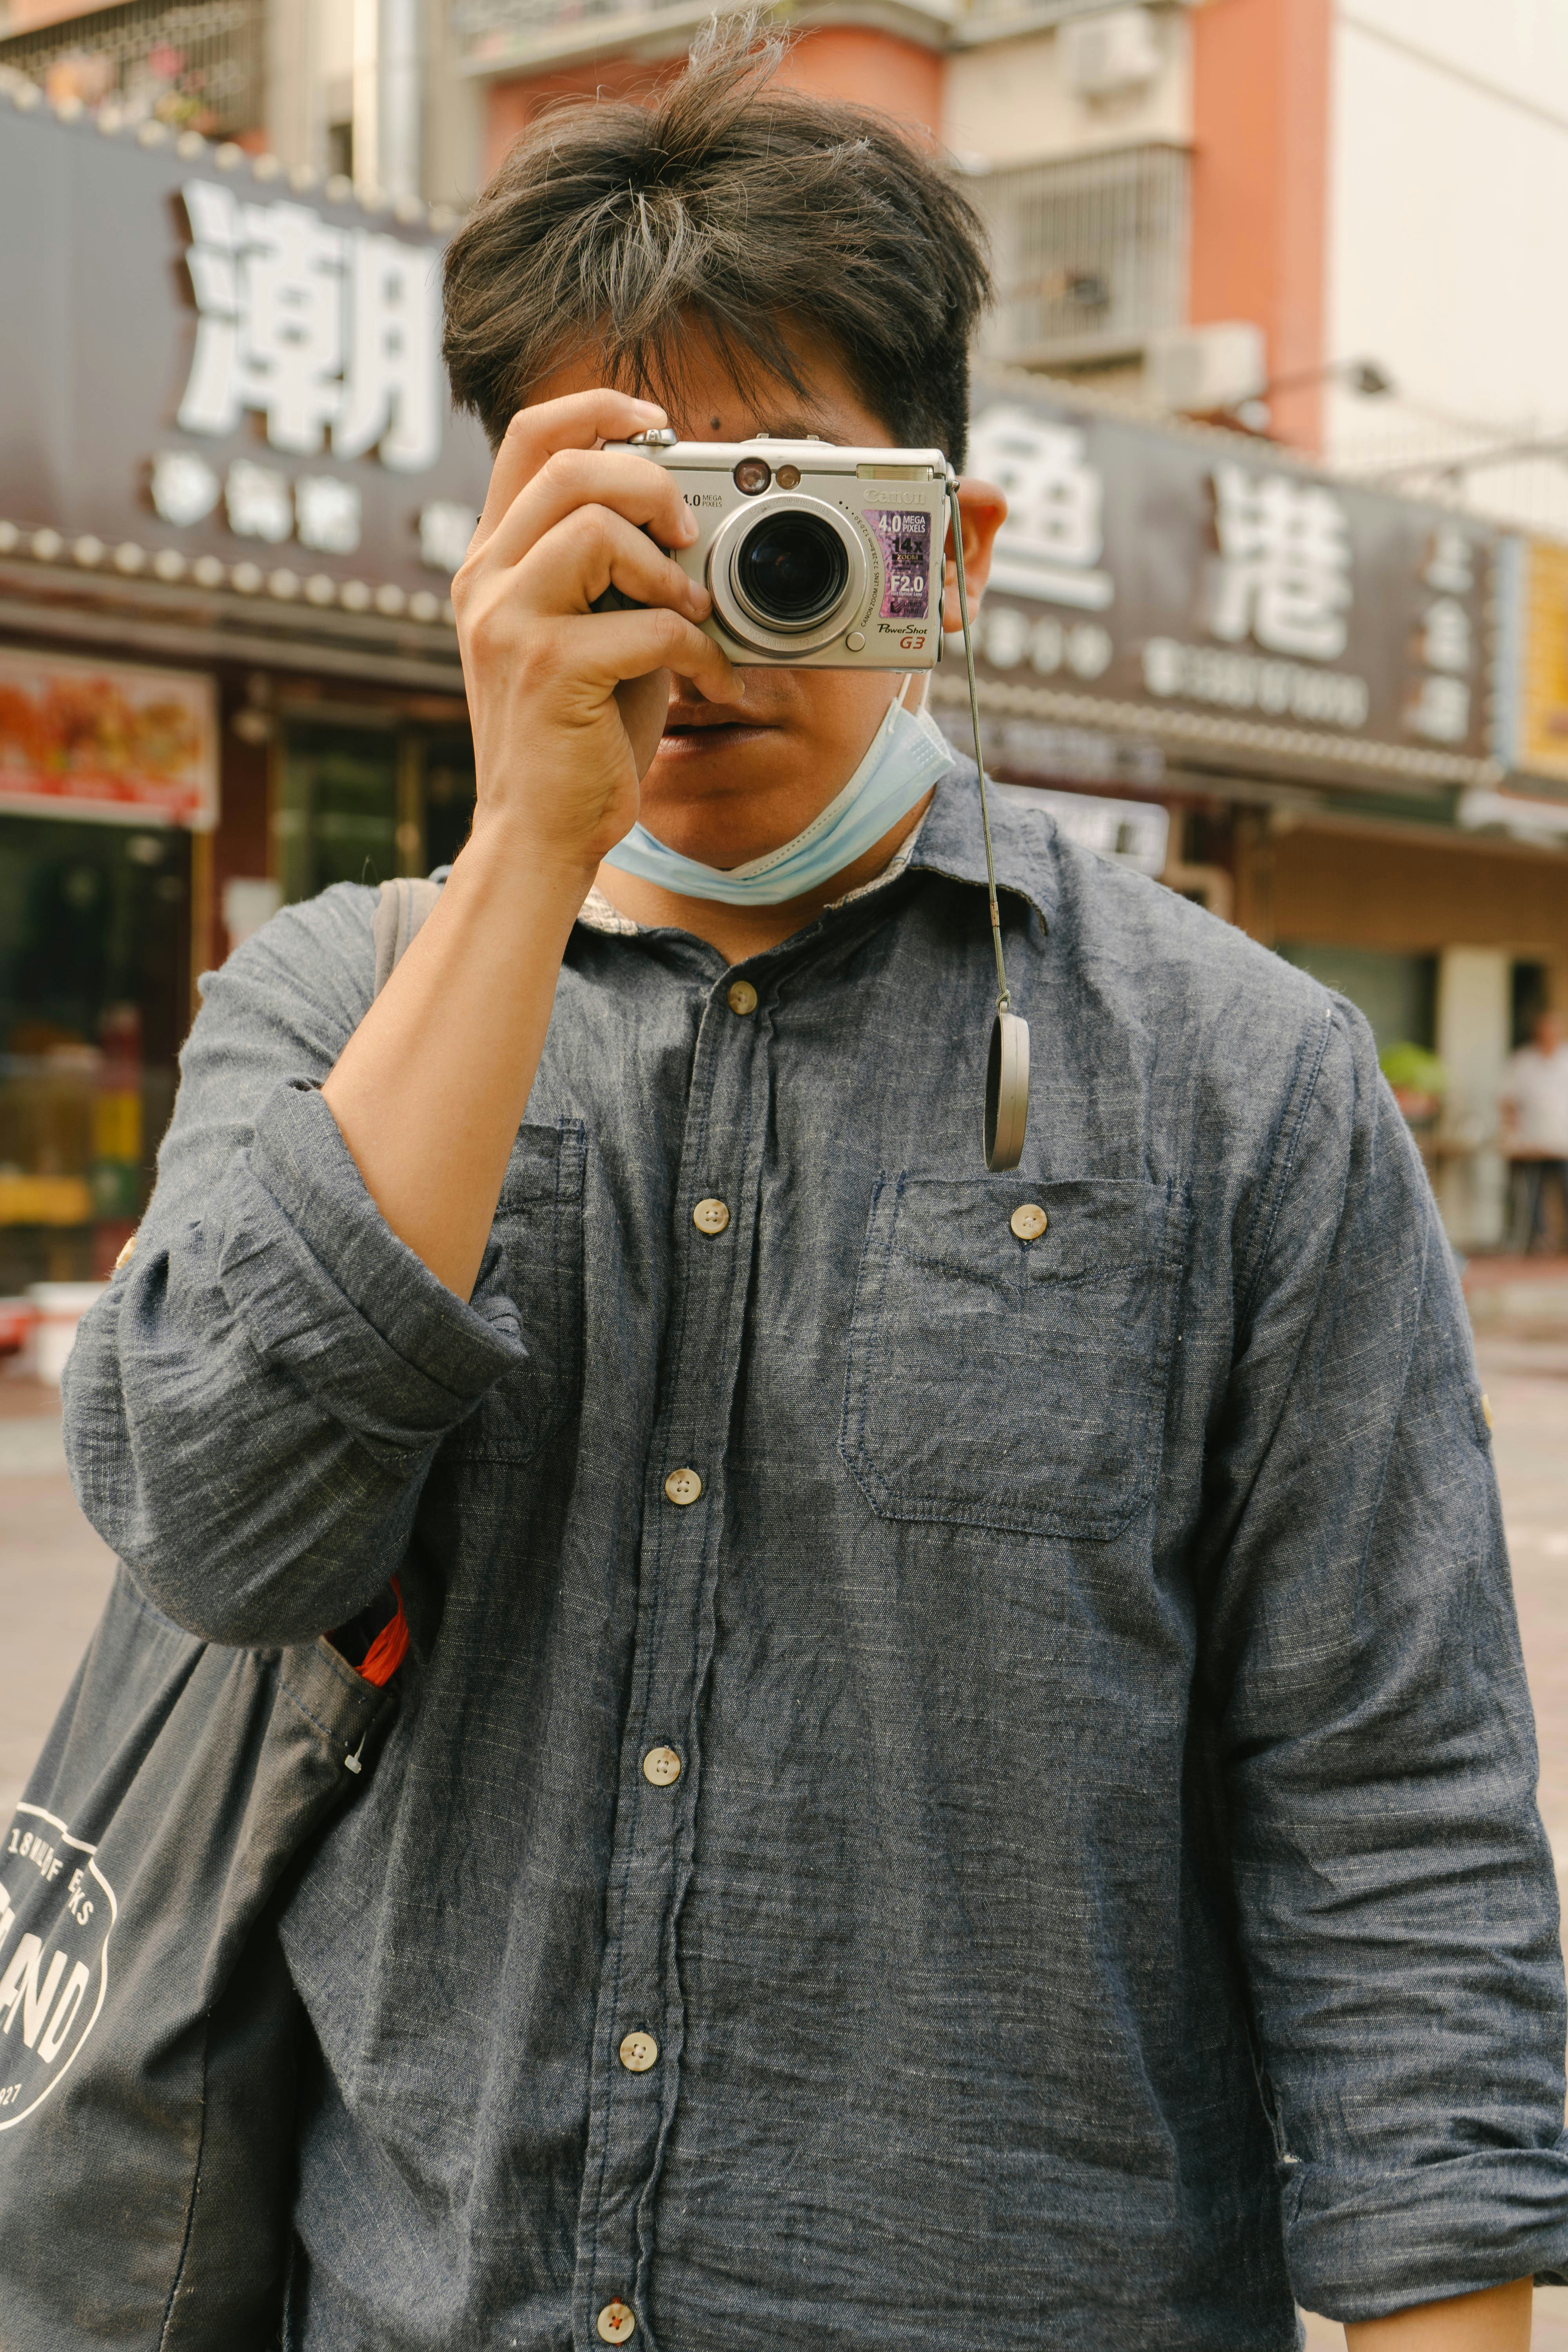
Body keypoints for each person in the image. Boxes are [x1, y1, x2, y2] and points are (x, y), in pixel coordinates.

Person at [64, 27, 1568, 2351]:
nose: (710, 595)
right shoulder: (327, 1011)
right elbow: (215, 1522)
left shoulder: (1247, 1081)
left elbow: (1391, 1822)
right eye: (630, 508)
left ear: (947, 550)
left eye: (781, 512)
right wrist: (528, 851)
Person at [1500, 1006, 1568, 1253]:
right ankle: (1539, 1239)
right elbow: (1508, 1103)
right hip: (1532, 1142)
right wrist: (1510, 1135)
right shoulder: (1523, 1061)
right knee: (1532, 1194)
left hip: (1563, 1142)